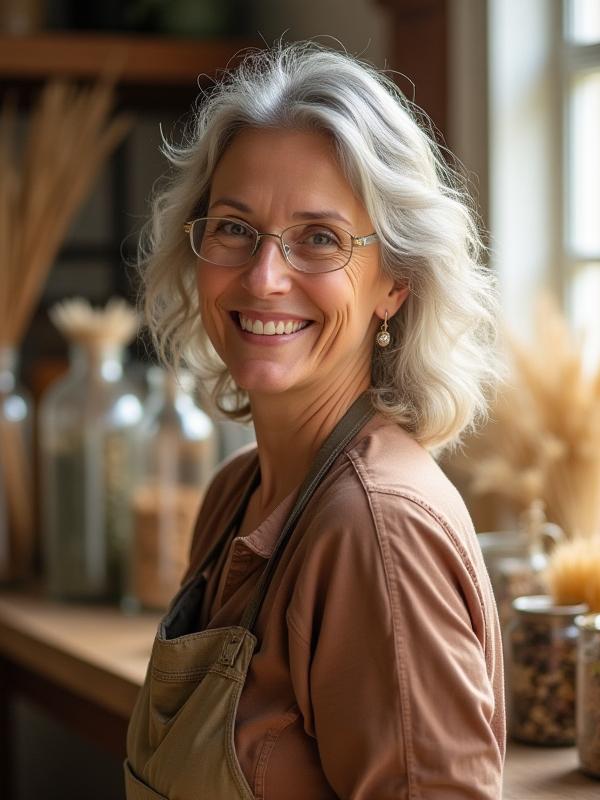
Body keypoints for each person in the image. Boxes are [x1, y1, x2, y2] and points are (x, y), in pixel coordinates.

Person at [126, 42, 505, 800]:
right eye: (234, 227)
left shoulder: (377, 531)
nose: (265, 278)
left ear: (393, 283)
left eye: (320, 239)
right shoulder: (238, 492)